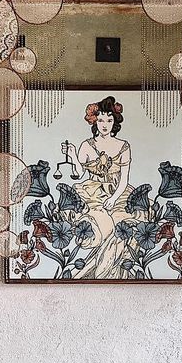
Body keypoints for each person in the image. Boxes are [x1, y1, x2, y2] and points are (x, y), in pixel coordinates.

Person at [60, 96, 137, 278]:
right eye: (101, 120)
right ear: (95, 121)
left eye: (109, 120)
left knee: (122, 229)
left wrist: (113, 198)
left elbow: (124, 179)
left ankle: (106, 274)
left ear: (114, 122)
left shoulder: (124, 147)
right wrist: (72, 156)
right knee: (100, 229)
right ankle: (96, 274)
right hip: (92, 194)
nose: (105, 124)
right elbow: (78, 174)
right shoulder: (87, 145)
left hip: (119, 195)